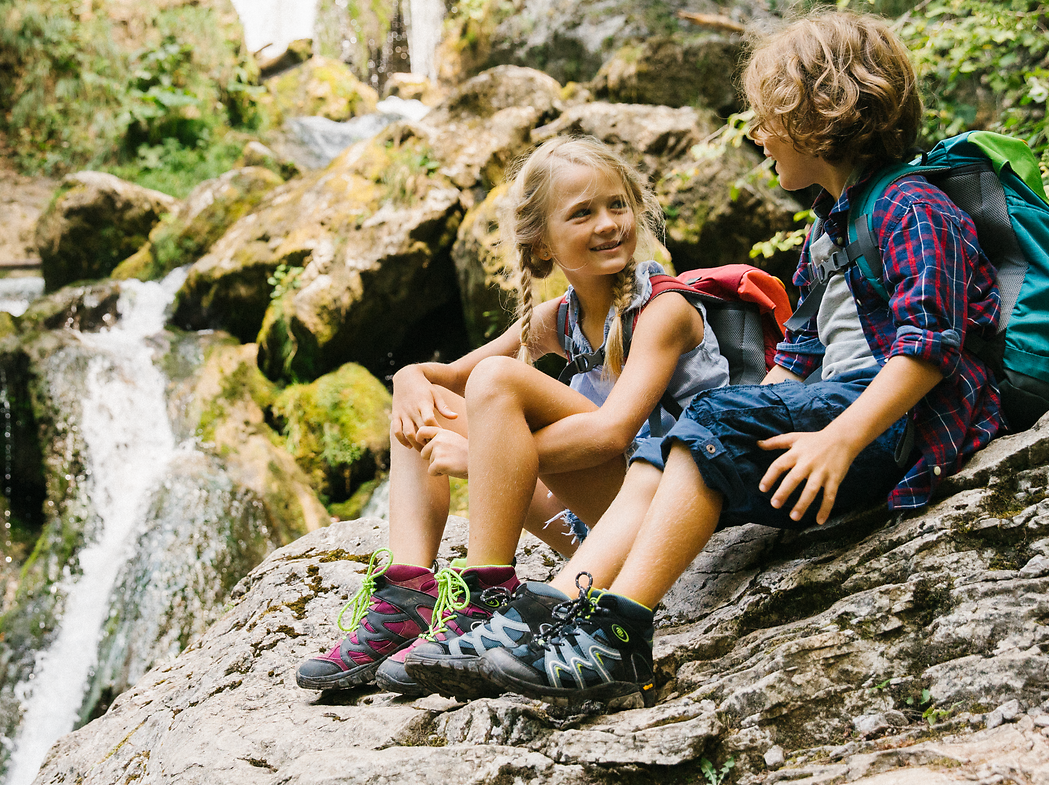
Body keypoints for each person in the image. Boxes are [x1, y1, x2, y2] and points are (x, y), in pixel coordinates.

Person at [478, 10, 1004, 707]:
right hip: (841, 418)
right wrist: (763, 410)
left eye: (766, 119)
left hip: (892, 427)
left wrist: (839, 439)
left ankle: (616, 634)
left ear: (821, 117)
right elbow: (805, 346)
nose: (757, 135)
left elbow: (929, 345)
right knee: (682, 437)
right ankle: (547, 611)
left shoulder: (910, 206)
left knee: (711, 418)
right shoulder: (833, 223)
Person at [295, 134, 729, 695]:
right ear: (543, 245)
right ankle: (405, 598)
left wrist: (481, 459)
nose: (608, 224)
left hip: (664, 521)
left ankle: (487, 599)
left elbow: (611, 433)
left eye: (617, 205)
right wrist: (407, 379)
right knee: (424, 409)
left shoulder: (663, 311)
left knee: (498, 380)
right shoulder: (558, 319)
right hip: (590, 529)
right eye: (583, 213)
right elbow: (440, 380)